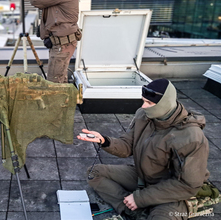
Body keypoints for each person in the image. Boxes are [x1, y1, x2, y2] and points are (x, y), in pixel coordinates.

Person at [77, 79, 210, 219]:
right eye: (143, 101)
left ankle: (141, 205)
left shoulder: (191, 137)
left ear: (165, 104)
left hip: (171, 191)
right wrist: (104, 141)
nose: (143, 106)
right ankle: (133, 211)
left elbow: (188, 184)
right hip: (143, 177)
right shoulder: (143, 115)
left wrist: (140, 198)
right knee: (94, 173)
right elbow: (127, 146)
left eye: (149, 103)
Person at [21, 0, 84, 83]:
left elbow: (37, 0)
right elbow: (45, 1)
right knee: (60, 79)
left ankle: (60, 102)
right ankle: (65, 101)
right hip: (63, 42)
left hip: (63, 43)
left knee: (54, 83)